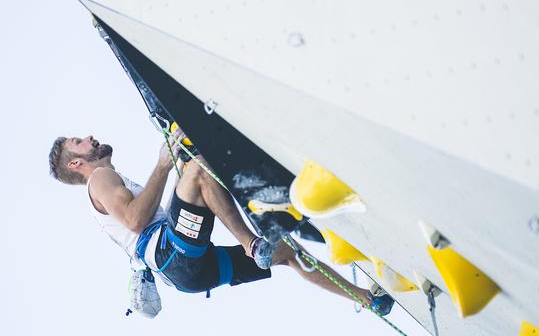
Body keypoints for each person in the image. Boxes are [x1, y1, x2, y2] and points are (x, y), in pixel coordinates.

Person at [48, 130, 394, 315]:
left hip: (191, 273)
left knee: (287, 252)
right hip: (174, 253)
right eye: (79, 142)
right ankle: (251, 242)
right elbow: (137, 220)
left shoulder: (104, 188)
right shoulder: (100, 178)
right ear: (76, 164)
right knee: (197, 169)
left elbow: (153, 214)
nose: (90, 136)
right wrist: (165, 165)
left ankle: (369, 300)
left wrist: (175, 166)